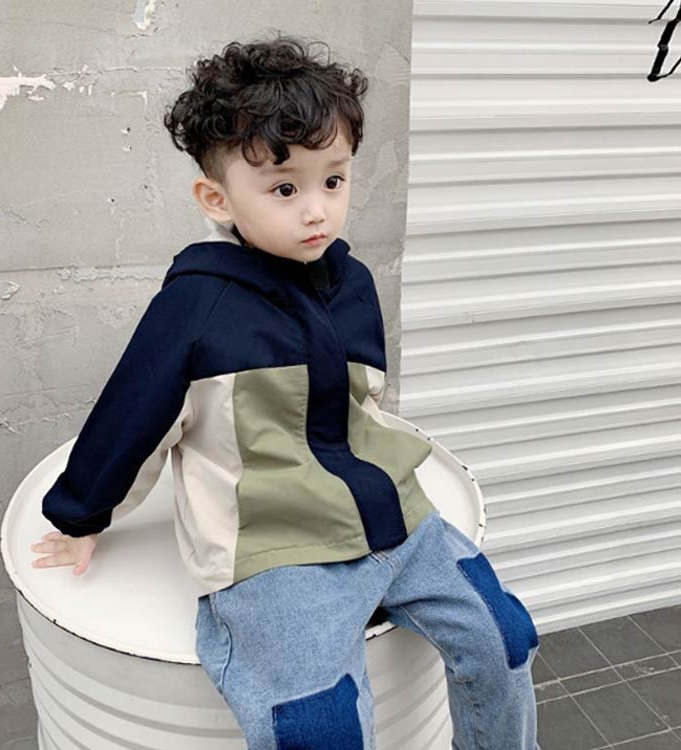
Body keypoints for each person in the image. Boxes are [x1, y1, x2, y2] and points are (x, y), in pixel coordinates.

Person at [30, 33, 541, 750]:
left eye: (334, 180)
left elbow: (362, 406)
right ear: (217, 198)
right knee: (317, 726)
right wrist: (81, 515)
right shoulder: (197, 305)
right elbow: (132, 415)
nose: (317, 211)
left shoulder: (353, 283)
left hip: (389, 512)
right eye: (284, 188)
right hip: (272, 547)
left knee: (506, 638)